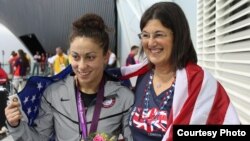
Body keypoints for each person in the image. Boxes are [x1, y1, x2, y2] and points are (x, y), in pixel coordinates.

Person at [109, 2, 240, 141]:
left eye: (159, 34)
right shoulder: (137, 77)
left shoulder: (199, 84)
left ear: (177, 37)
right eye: (145, 35)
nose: (151, 43)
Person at [5, 13, 134, 141]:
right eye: (75, 56)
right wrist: (16, 125)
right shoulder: (53, 94)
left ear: (106, 56)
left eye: (90, 57)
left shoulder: (124, 97)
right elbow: (39, 138)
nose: (82, 66)